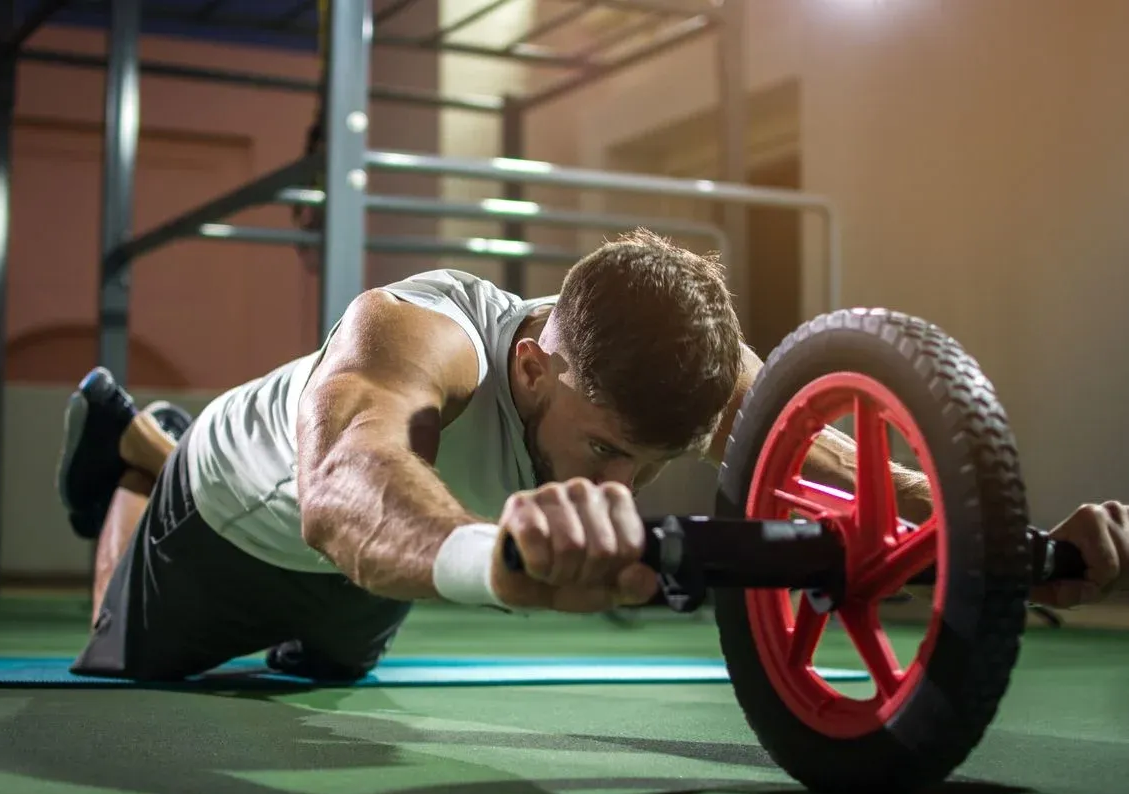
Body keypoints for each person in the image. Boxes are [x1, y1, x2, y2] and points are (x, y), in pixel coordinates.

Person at [55, 229, 1125, 683]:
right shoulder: (419, 331)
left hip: (379, 564)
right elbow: (343, 495)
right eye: (606, 449)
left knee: (328, 670)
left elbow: (857, 471)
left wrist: (1017, 540)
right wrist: (500, 563)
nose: (621, 491)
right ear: (532, 367)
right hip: (241, 515)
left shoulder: (684, 370)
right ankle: (137, 454)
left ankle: (156, 449)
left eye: (648, 465)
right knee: (124, 665)